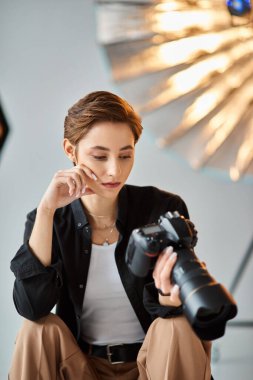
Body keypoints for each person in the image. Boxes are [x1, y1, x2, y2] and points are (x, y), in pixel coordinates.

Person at [9, 91, 212, 380]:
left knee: (175, 325)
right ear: (71, 150)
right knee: (38, 328)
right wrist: (46, 209)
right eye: (100, 156)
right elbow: (32, 306)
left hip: (154, 363)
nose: (114, 170)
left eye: (125, 155)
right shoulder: (49, 219)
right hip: (81, 367)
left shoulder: (163, 208)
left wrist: (170, 297)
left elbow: (170, 306)